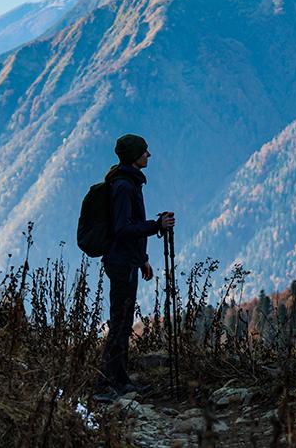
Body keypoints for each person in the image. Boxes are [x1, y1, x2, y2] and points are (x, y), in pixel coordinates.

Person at [94, 133, 175, 401]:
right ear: (133, 155)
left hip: (126, 260)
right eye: (144, 151)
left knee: (123, 320)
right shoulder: (124, 186)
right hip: (120, 263)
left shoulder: (127, 182)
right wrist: (156, 226)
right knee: (120, 322)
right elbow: (123, 228)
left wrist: (142, 259)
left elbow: (127, 227)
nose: (148, 155)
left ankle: (117, 379)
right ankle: (110, 383)